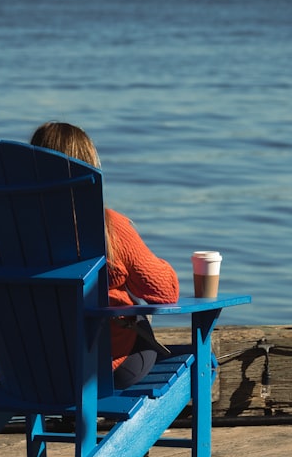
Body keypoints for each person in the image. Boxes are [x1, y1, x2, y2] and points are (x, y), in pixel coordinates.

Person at [30, 122, 180, 388]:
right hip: (109, 366)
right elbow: (164, 293)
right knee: (142, 312)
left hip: (37, 366)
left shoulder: (12, 232)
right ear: (89, 167)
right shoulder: (109, 226)